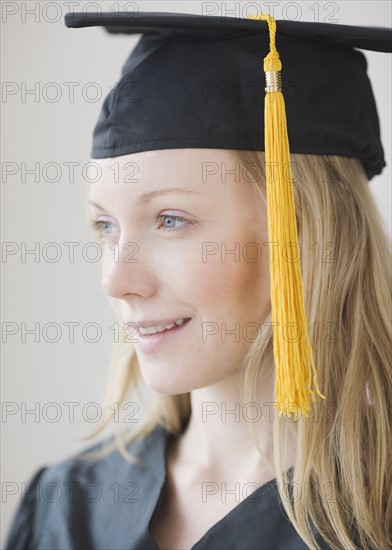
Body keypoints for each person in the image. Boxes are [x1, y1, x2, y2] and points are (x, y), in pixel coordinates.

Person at [5, 10, 391, 550]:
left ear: (302, 230)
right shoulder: (67, 507)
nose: (116, 280)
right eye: (106, 226)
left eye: (170, 220)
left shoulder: (379, 513)